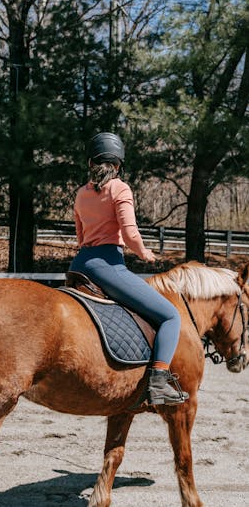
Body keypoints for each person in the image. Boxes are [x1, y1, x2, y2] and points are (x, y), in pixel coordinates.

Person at [69, 131, 188, 406]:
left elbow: (80, 235)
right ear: (119, 165)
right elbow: (130, 233)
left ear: (90, 163)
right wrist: (144, 252)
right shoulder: (119, 188)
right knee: (170, 316)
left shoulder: (80, 193)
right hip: (108, 265)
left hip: (80, 264)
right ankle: (158, 381)